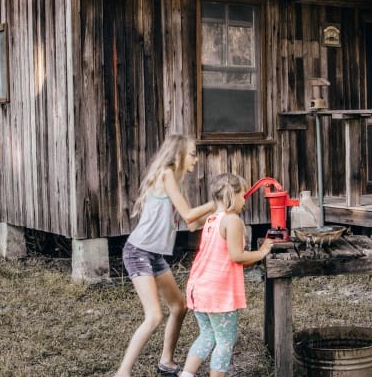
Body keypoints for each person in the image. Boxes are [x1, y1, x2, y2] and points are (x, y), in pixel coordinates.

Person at [115, 134, 215, 377]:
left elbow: (191, 224)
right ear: (178, 154)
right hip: (138, 252)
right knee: (154, 315)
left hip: (155, 255)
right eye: (192, 154)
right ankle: (123, 372)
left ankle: (166, 362)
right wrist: (216, 203)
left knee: (179, 306)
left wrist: (220, 211)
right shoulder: (167, 174)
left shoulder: (177, 183)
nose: (196, 159)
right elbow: (189, 214)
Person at [180, 173, 273, 377]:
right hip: (217, 293)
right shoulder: (233, 221)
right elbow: (237, 256)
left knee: (207, 336)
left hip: (198, 287)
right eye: (242, 195)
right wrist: (263, 251)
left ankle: (186, 375)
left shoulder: (212, 219)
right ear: (232, 195)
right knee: (225, 342)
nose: (244, 200)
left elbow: (195, 227)